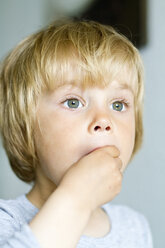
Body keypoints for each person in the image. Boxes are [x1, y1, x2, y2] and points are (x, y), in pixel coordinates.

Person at [0, 19, 153, 248]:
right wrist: (76, 198)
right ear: (25, 125)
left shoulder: (135, 227)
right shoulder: (7, 222)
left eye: (118, 105)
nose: (103, 120)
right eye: (73, 102)